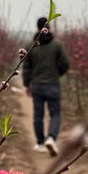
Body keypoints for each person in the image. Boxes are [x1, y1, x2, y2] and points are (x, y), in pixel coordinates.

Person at [22, 16, 70, 156]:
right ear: (49, 28)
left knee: (38, 114)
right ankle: (51, 138)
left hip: (37, 85)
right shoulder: (57, 45)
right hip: (52, 84)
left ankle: (40, 142)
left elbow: (26, 67)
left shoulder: (30, 45)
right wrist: (58, 73)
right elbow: (66, 63)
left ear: (38, 28)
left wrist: (26, 84)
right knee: (55, 113)